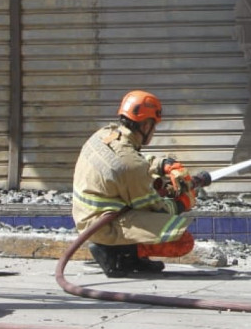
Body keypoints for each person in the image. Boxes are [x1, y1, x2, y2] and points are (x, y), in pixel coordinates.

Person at [72, 90, 200, 277]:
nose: (154, 131)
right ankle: (117, 255)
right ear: (146, 125)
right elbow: (155, 209)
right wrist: (183, 202)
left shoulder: (105, 135)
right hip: (103, 227)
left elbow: (129, 161)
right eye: (154, 126)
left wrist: (165, 164)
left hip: (87, 218)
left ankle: (124, 252)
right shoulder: (131, 165)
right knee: (183, 241)